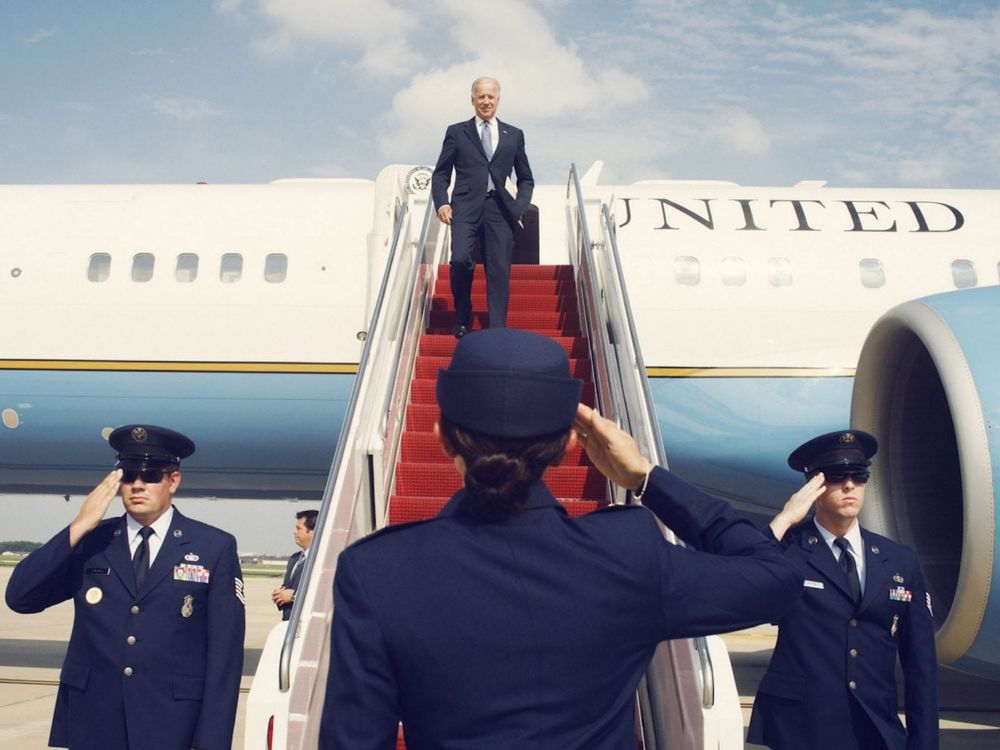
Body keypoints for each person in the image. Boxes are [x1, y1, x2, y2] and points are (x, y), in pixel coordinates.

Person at [319, 328, 800, 749]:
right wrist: (647, 479)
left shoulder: (379, 572)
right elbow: (776, 577)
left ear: (443, 436)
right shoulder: (629, 552)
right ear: (572, 442)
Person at [5, 424, 246, 750]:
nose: (137, 485)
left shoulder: (213, 547)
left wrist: (211, 743)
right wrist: (78, 526)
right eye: (128, 476)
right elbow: (20, 596)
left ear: (173, 481)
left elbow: (224, 659)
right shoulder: (94, 542)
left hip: (172, 726)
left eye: (150, 476)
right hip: (94, 724)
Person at [747, 430, 939, 750]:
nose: (850, 485)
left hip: (876, 730)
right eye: (837, 476)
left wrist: (924, 743)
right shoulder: (789, 552)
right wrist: (783, 520)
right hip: (801, 732)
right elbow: (742, 582)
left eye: (859, 475)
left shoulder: (899, 561)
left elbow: (921, 666)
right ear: (814, 484)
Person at [431, 77, 534, 337]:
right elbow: (441, 174)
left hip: (500, 210)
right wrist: (442, 202)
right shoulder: (457, 132)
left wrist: (519, 206)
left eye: (490, 96)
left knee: (498, 269)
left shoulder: (514, 135)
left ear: (498, 99)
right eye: (481, 96)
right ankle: (463, 317)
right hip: (465, 207)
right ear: (472, 99)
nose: (485, 101)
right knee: (460, 260)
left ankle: (497, 327)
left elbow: (526, 178)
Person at [272, 509, 318, 620]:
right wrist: (279, 595)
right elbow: (287, 587)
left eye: (299, 528)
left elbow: (322, 593)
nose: (294, 532)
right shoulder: (294, 559)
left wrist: (294, 596)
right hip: (288, 624)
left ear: (312, 532)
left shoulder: (321, 560)